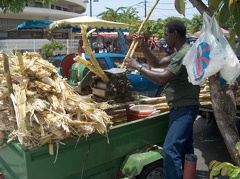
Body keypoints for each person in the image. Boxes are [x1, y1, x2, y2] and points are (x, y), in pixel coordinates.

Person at [124, 20, 200, 179]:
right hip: (183, 106)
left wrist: (138, 66)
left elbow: (162, 79)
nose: (164, 38)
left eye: (166, 35)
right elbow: (157, 63)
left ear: (175, 34)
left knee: (170, 149)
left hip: (184, 108)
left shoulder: (183, 54)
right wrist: (143, 45)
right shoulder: (181, 51)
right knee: (185, 148)